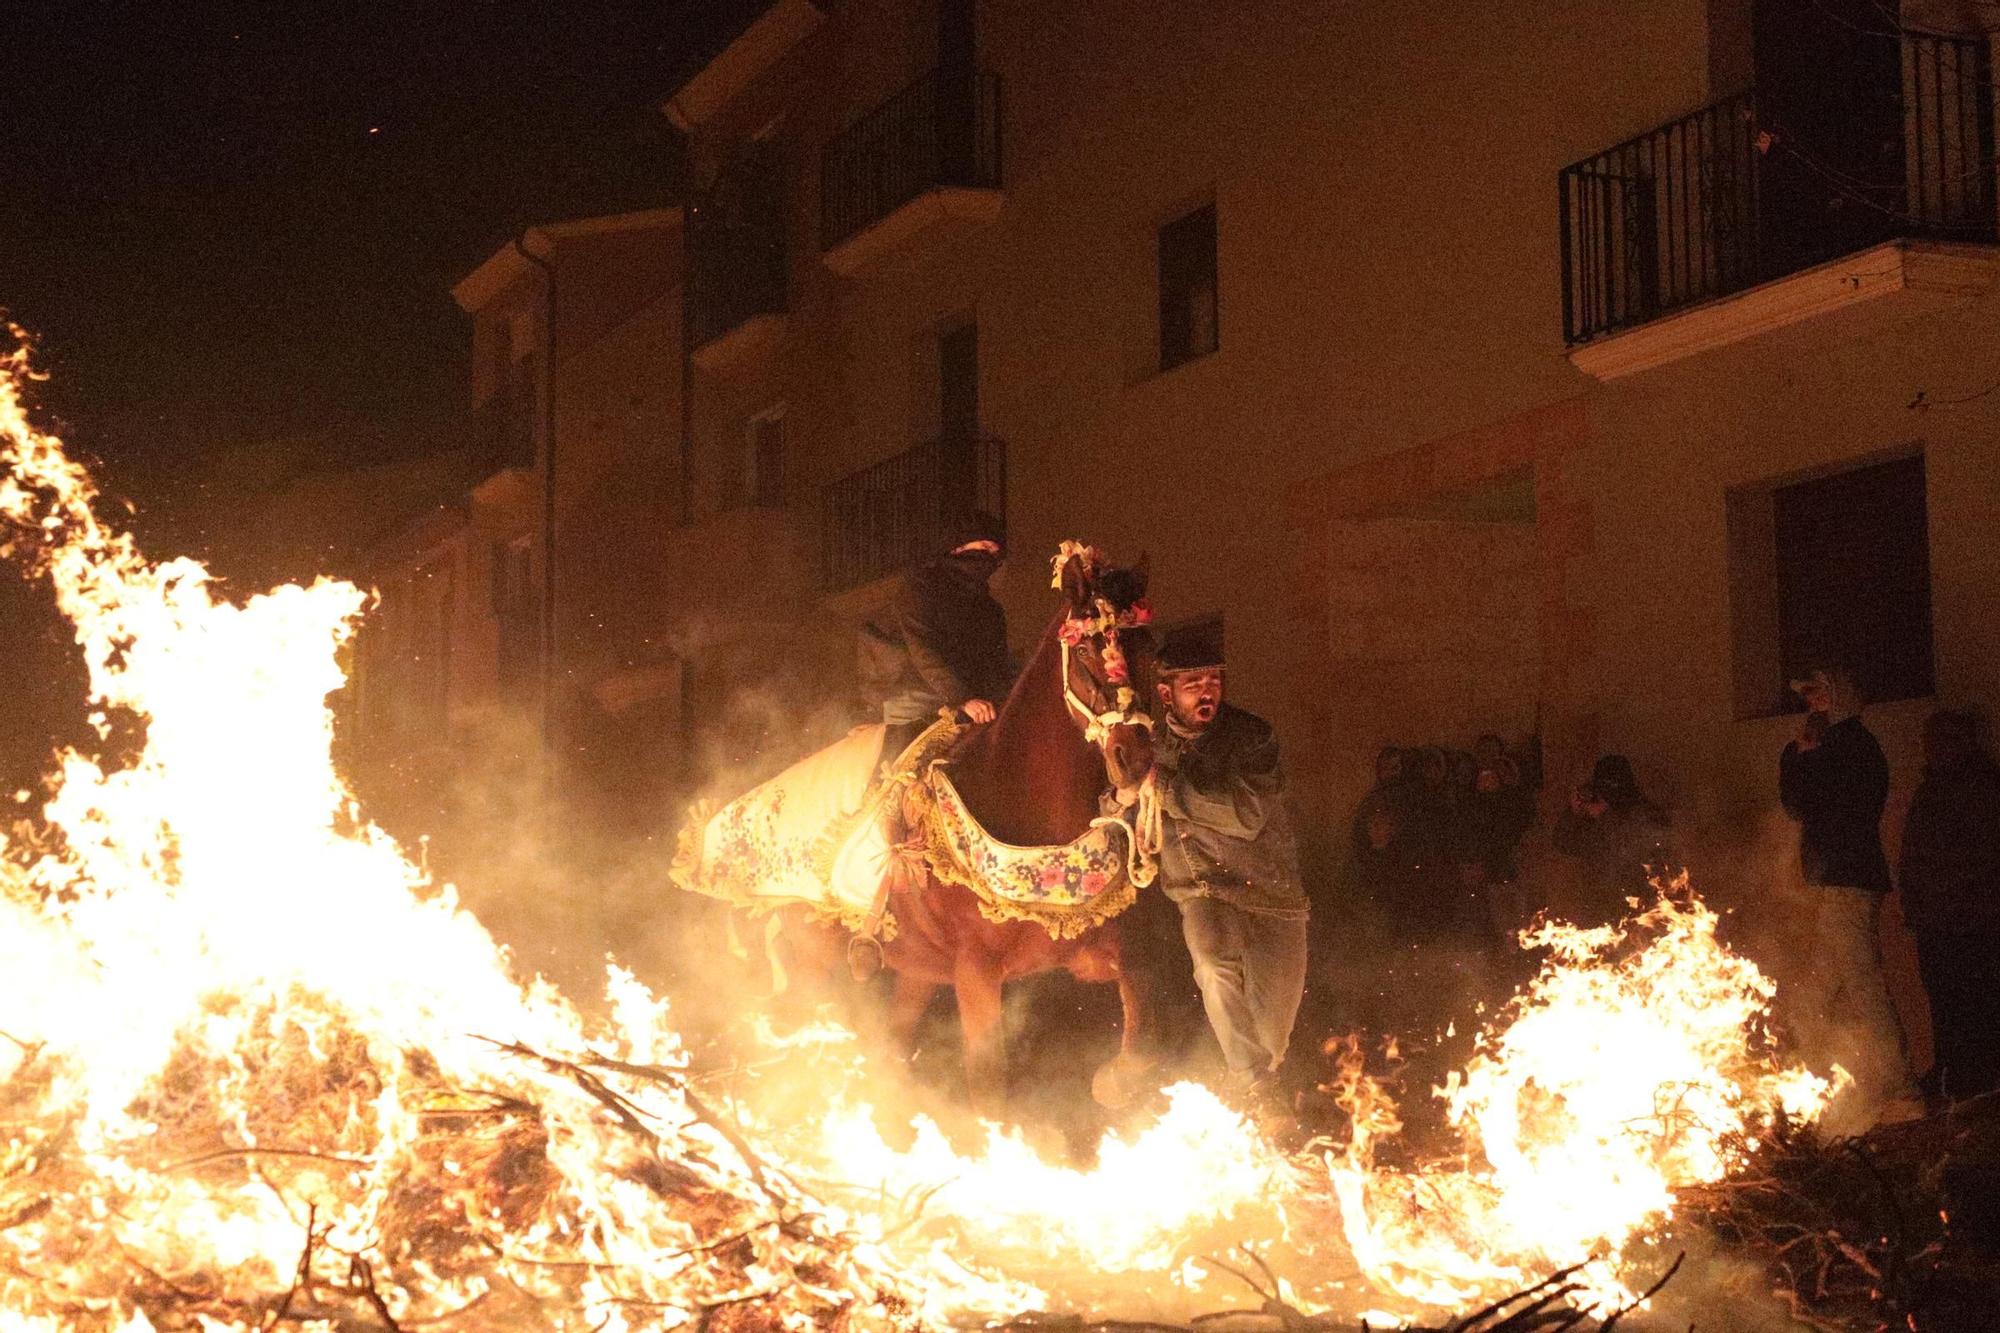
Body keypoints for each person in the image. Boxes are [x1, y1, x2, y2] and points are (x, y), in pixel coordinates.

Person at [1119, 622, 1309, 1122]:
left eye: (1214, 682)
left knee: (1271, 1039)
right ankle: (1254, 1087)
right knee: (1212, 963)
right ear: (1166, 693)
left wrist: (1160, 789)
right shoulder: (1146, 744)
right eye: (1193, 684)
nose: (1207, 693)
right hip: (1203, 892)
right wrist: (1120, 799)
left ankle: (1252, 1105)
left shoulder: (1252, 737)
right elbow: (1123, 809)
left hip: (1273, 898)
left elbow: (1245, 816)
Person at [1778, 661, 1923, 1124]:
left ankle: (1902, 1090)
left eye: (1819, 695)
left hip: (1846, 881)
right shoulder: (1847, 745)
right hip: (1840, 880)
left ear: (1839, 698)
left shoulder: (1847, 747)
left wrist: (1801, 756)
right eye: (1809, 697)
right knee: (1823, 984)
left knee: (1862, 983)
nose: (1812, 704)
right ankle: (1804, 1079)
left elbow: (1802, 804)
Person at [1896, 708, 2000, 1104]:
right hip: (1937, 921)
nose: (1932, 749)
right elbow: (1918, 853)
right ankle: (1952, 1073)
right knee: (1944, 1003)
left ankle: (1975, 1083)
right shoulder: (1934, 789)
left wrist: (1958, 902)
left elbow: (1979, 857)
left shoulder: (1980, 790)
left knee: (1973, 1002)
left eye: (1941, 741)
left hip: (1969, 922)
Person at [859, 512, 1010, 757]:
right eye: (984, 547)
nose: (989, 557)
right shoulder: (920, 588)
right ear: (958, 548)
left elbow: (996, 665)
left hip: (968, 699)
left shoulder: (990, 611)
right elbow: (922, 649)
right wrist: (962, 699)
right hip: (912, 693)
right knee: (909, 762)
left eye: (995, 552)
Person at [1551, 753, 1673, 924]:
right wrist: (1574, 813)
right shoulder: (1595, 819)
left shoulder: (1646, 814)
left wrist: (1603, 815)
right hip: (1602, 909)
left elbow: (1633, 849)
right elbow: (1564, 843)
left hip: (1644, 911)